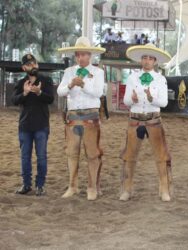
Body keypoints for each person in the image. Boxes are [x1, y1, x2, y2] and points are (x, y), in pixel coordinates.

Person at [119, 43, 173, 202]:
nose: (147, 61)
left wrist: (151, 98)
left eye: (150, 58)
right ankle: (127, 189)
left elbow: (163, 103)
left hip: (153, 120)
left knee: (161, 156)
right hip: (135, 120)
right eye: (144, 58)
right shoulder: (132, 77)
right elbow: (126, 100)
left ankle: (164, 189)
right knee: (129, 156)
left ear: (155, 61)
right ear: (141, 60)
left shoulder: (160, 79)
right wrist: (132, 99)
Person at [57, 36, 106, 201]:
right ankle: (73, 186)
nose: (80, 57)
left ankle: (92, 187)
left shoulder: (98, 72)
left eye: (83, 54)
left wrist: (83, 85)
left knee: (92, 153)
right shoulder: (68, 72)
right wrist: (71, 84)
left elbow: (99, 93)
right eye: (78, 54)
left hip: (91, 115)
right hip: (72, 116)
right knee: (71, 153)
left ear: (89, 55)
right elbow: (60, 91)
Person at [11, 54, 54, 196]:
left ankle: (40, 186)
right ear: (24, 68)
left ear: (38, 65)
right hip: (25, 126)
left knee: (41, 156)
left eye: (34, 63)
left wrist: (39, 92)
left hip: (41, 125)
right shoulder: (21, 82)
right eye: (29, 64)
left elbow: (50, 99)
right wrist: (24, 93)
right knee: (25, 157)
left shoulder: (46, 80)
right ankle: (26, 185)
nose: (33, 66)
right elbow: (14, 100)